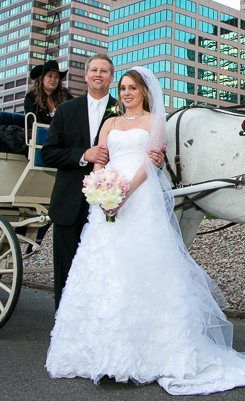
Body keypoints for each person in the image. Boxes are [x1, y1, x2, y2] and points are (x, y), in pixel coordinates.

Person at [46, 67, 245, 395]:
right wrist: (100, 189)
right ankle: (99, 352)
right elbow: (100, 159)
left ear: (143, 92)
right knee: (105, 272)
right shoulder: (110, 123)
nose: (126, 93)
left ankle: (145, 351)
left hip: (139, 197)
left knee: (142, 271)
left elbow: (151, 162)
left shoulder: (154, 122)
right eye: (122, 88)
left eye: (132, 88)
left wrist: (124, 192)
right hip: (107, 203)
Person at [41, 54, 165, 308]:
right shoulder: (66, 110)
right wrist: (83, 156)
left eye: (104, 71)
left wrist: (156, 161)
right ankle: (66, 321)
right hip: (73, 199)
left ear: (110, 78)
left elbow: (150, 153)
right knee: (72, 269)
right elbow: (48, 153)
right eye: (93, 70)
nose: (98, 74)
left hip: (127, 196)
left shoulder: (119, 109)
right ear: (86, 75)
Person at [24, 59, 73, 124]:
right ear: (42, 78)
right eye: (50, 76)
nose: (53, 80)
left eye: (56, 77)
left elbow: (75, 108)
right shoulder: (31, 97)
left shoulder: (65, 94)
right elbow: (33, 121)